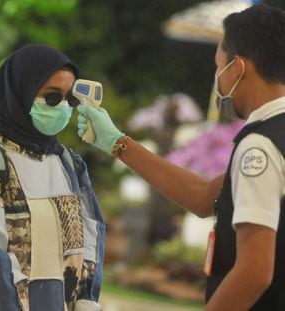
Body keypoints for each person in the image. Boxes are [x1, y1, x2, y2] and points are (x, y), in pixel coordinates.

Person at [76, 4, 285, 311]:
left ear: (237, 67)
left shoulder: (261, 146)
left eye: (219, 66)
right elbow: (204, 196)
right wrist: (117, 142)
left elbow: (254, 273)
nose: (218, 79)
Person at [0, 44, 104, 311]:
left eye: (68, 99)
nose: (62, 107)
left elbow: (91, 231)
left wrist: (87, 298)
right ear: (20, 92)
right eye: (52, 97)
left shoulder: (69, 163)